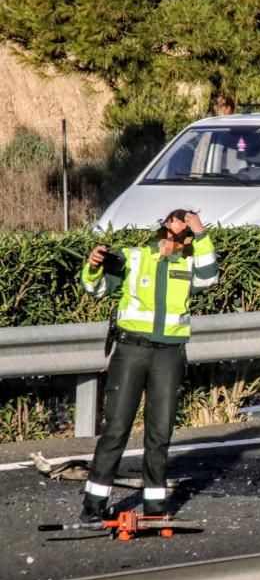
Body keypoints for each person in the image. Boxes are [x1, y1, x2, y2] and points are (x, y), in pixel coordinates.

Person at [79, 209, 219, 522]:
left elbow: (210, 278)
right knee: (116, 429)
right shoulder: (134, 257)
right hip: (131, 351)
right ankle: (94, 504)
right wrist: (92, 268)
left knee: (160, 431)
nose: (180, 226)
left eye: (187, 224)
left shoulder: (190, 261)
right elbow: (95, 289)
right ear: (165, 227)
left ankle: (155, 506)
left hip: (169, 354)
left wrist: (202, 234)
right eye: (177, 220)